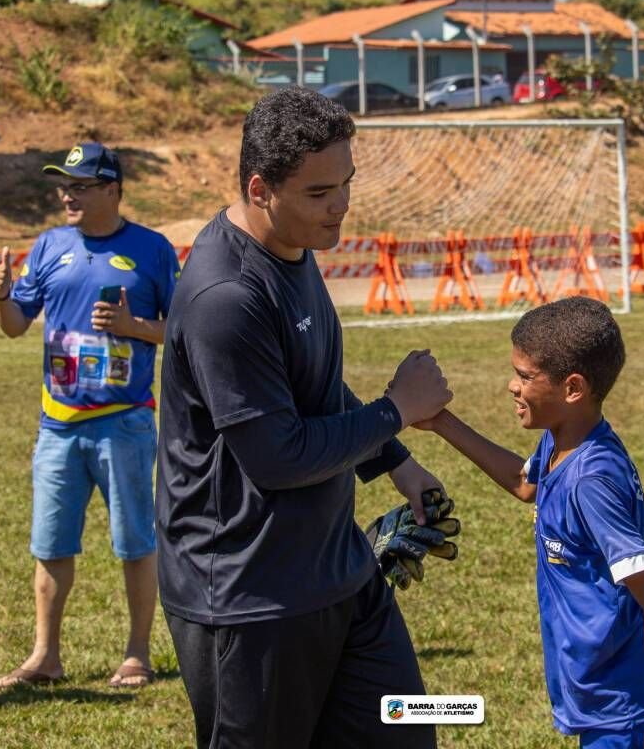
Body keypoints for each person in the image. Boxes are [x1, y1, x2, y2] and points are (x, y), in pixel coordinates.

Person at [156, 87, 451, 749]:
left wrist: (395, 462)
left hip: (340, 574)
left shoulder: (294, 247)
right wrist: (396, 411)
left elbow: (308, 388)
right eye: (320, 194)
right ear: (261, 189)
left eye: (345, 184)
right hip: (249, 597)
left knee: (407, 735)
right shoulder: (226, 297)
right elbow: (279, 455)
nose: (341, 206)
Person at [418, 297, 644, 749]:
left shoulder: (592, 479)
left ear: (572, 388)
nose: (512, 385)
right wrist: (441, 423)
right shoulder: (564, 440)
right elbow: (524, 482)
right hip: (603, 692)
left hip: (628, 706)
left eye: (526, 376)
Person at [0, 142, 180, 690]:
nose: (66, 194)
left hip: (124, 424)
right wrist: (1, 297)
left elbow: (189, 329)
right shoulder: (49, 246)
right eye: (63, 184)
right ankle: (44, 658)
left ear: (113, 190)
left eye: (80, 184)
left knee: (135, 542)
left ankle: (137, 655)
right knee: (50, 546)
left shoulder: (152, 249)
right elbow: (14, 324)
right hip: (57, 428)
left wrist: (133, 327)